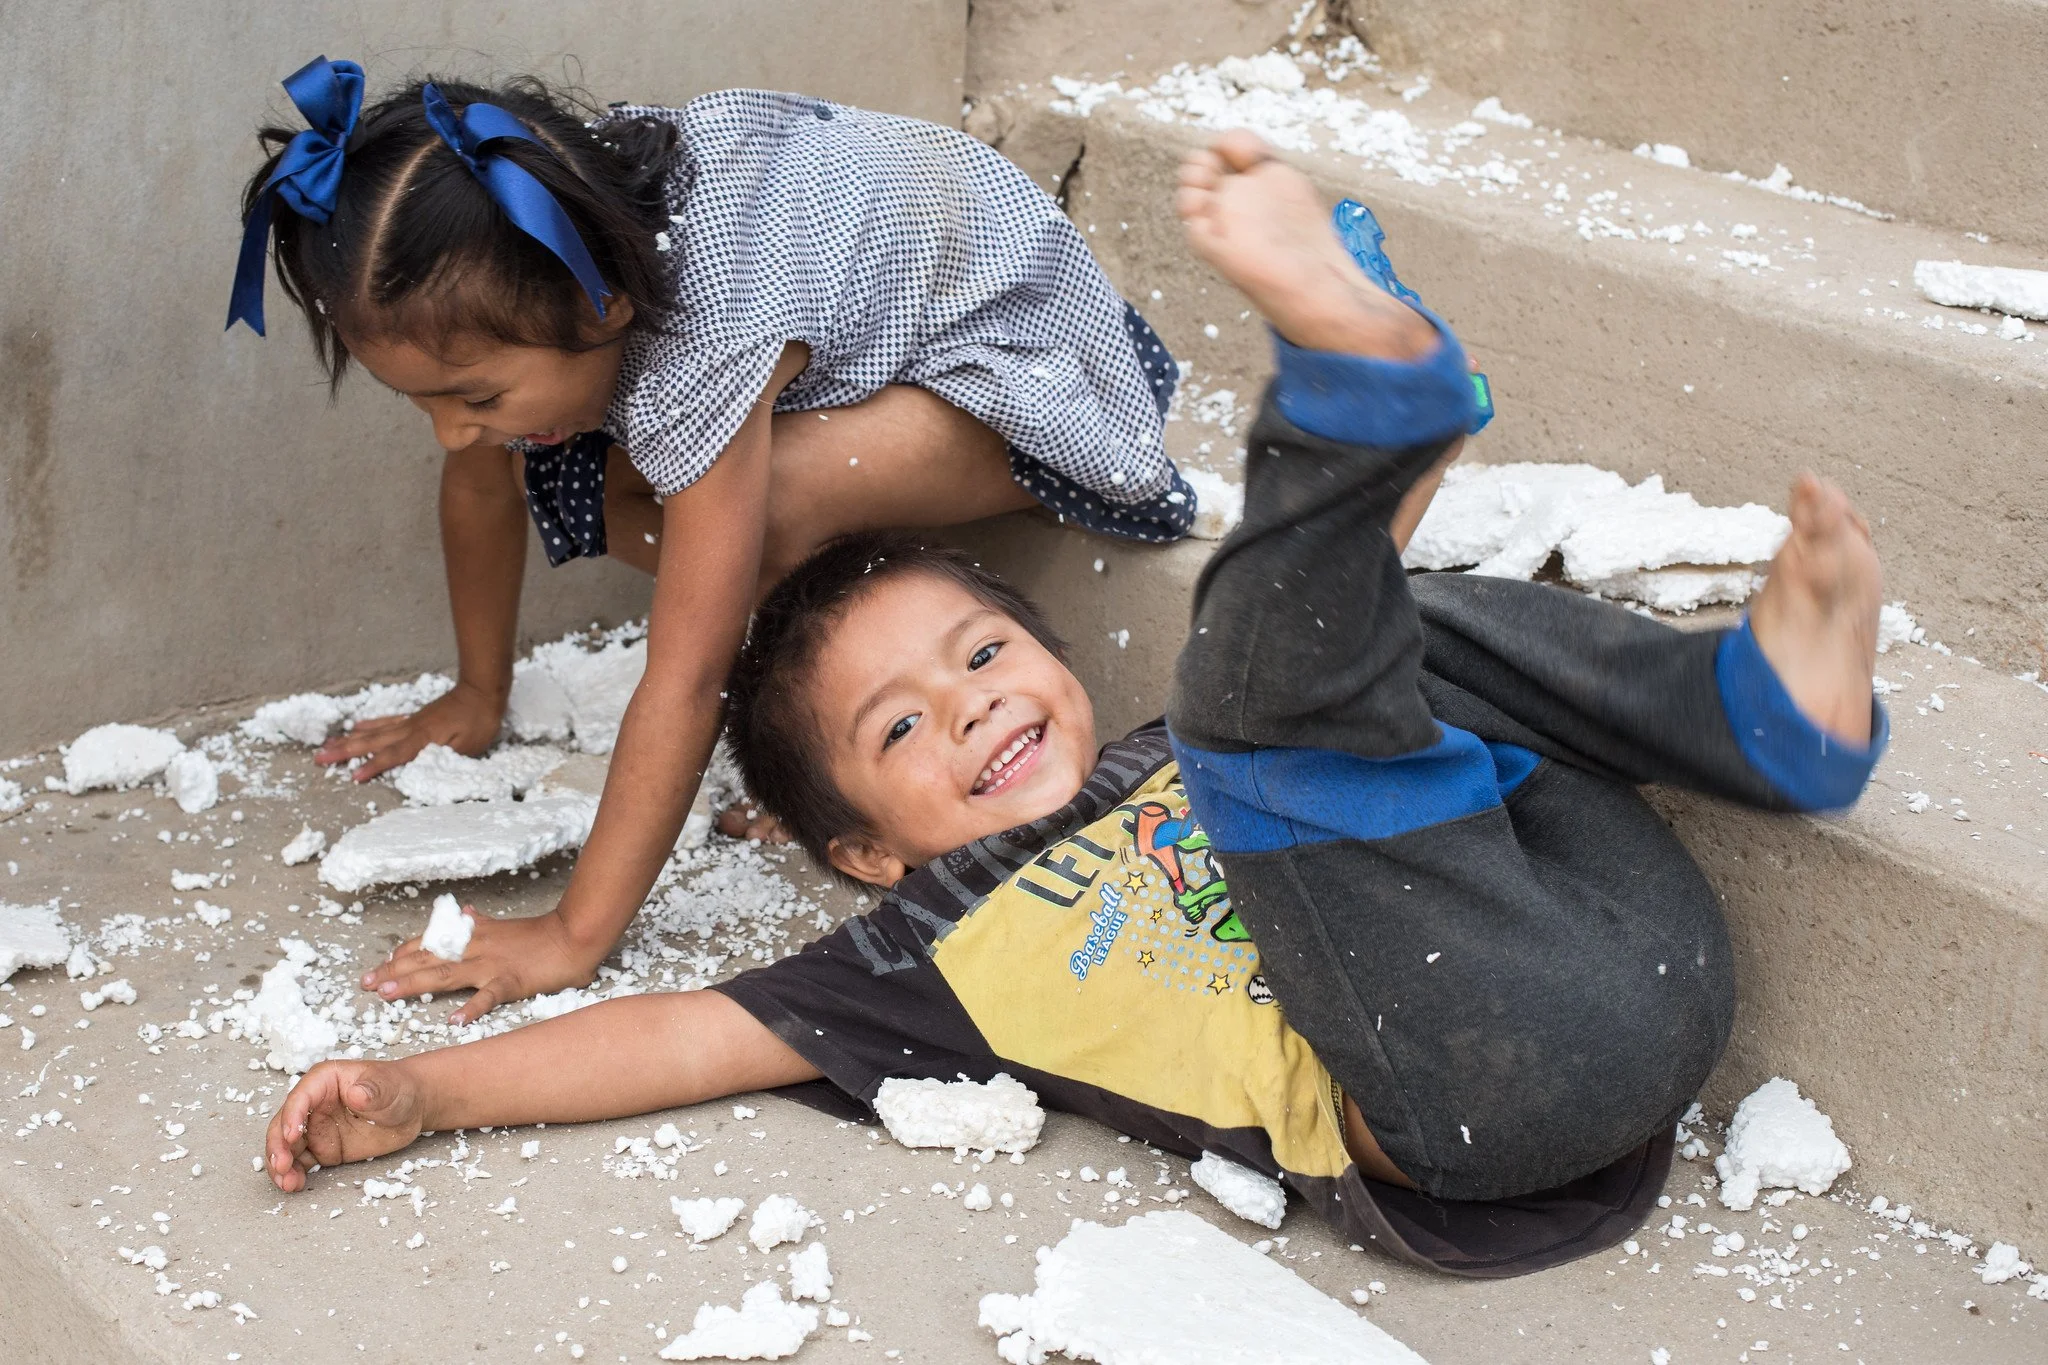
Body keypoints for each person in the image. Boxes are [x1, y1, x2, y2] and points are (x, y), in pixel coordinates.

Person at [261, 132, 1886, 1275]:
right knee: (1262, 706)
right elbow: (684, 1036)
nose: (966, 711)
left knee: (1360, 651)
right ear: (861, 853)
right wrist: (426, 1096)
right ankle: (1365, 399)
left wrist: (1363, 524)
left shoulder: (1171, 752)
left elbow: (1328, 614)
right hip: (1471, 1088)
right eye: (897, 732)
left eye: (976, 659)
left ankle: (1741, 711)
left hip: (1618, 932)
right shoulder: (930, 946)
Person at [228, 59, 1198, 1023]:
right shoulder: (544, 224)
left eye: (472, 396)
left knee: (754, 507)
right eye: (423, 402)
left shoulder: (702, 326)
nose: (447, 427)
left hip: (1018, 368)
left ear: (601, 311)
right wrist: (476, 696)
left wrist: (572, 936)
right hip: (866, 348)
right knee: (562, 468)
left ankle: (812, 741)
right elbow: (477, 477)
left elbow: (683, 674)